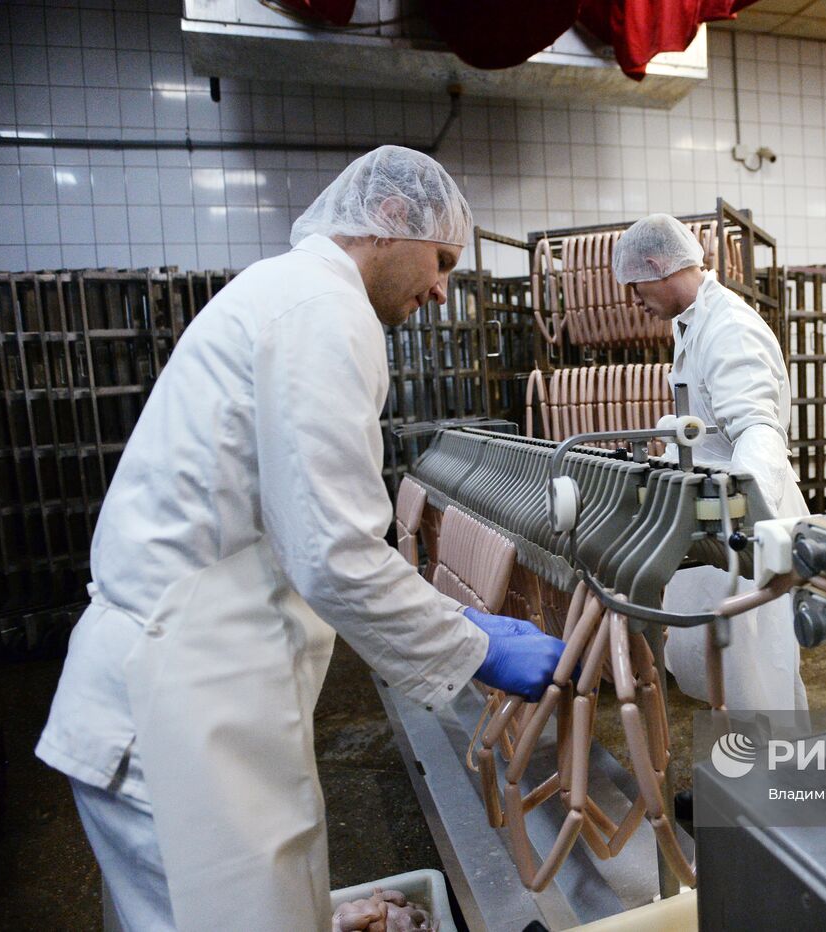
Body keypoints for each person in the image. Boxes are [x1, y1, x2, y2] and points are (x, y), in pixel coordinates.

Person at [35, 146, 565, 931]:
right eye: (442, 258)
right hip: (178, 703)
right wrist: (470, 645)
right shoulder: (322, 310)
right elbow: (333, 553)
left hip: (194, 685)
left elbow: (301, 532)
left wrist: (453, 630)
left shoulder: (284, 294)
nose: (442, 288)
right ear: (389, 220)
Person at [612, 214, 809, 711]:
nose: (634, 301)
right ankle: (747, 771)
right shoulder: (693, 322)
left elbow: (758, 431)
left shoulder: (729, 328)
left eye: (635, 286)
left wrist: (739, 517)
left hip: (742, 519)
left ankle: (775, 778)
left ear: (658, 265)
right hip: (716, 516)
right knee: (730, 672)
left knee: (758, 674)